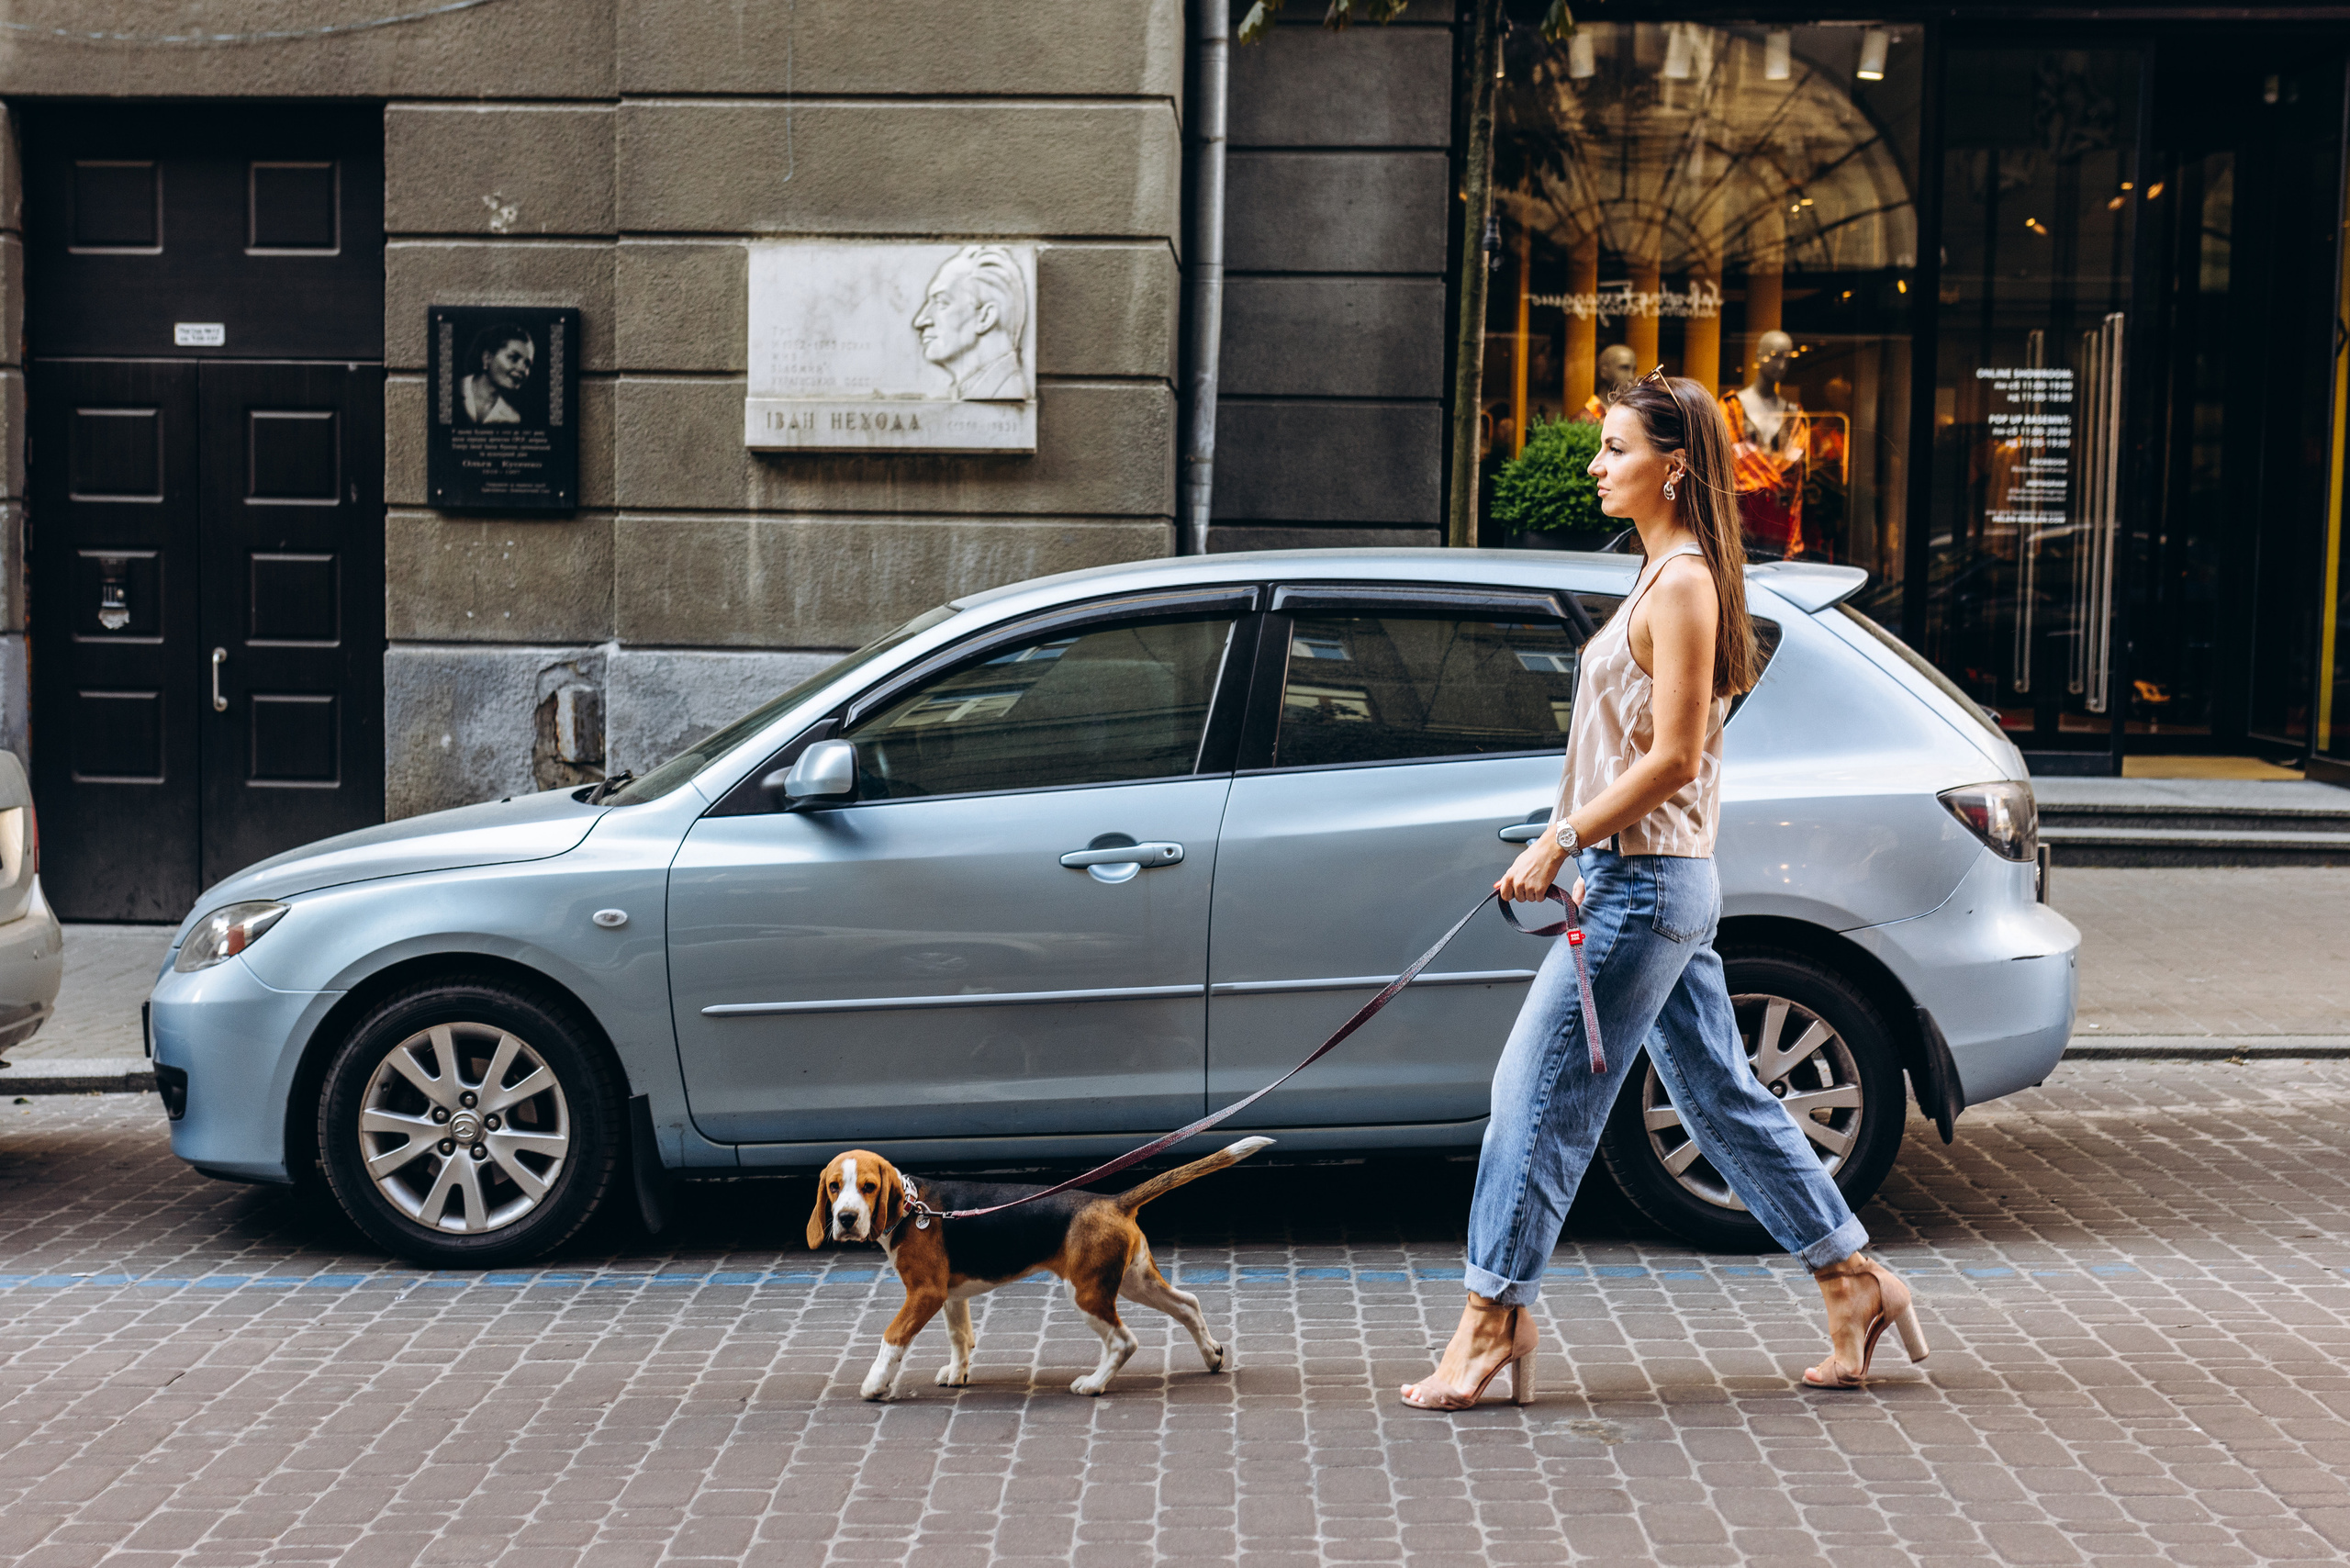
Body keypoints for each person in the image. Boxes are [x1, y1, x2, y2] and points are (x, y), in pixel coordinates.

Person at [1401, 370, 1927, 1410]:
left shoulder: (1682, 582)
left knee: (1533, 1101)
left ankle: (1490, 1319)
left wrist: (1563, 838)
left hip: (1639, 884)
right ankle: (1852, 1279)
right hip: (1646, 879)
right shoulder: (1661, 578)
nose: (1595, 466)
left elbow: (1677, 755)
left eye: (1613, 449)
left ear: (1672, 465)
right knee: (1718, 1096)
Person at [1720, 330, 1809, 557]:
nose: (1782, 364)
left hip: (1777, 518)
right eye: (1775, 355)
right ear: (1758, 356)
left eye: (1787, 358)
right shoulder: (1731, 408)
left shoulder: (1793, 414)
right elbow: (1720, 465)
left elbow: (1795, 477)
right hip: (1739, 513)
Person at [912, 245, 1031, 400]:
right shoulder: (974, 389)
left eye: (941, 303)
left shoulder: (1005, 390)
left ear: (985, 317)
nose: (920, 321)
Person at [460, 323, 534, 425]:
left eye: (527, 364)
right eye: (514, 358)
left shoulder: (512, 419)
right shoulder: (454, 389)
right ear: (487, 358)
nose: (522, 369)